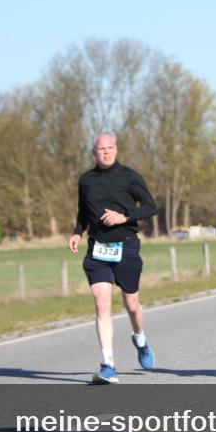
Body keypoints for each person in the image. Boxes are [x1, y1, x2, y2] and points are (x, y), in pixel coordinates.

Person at [69, 132, 158, 385]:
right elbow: (82, 212)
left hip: (127, 247)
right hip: (98, 250)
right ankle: (108, 365)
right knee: (101, 305)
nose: (106, 152)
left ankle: (140, 339)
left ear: (116, 149)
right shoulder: (85, 180)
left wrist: (124, 217)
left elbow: (151, 207)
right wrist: (77, 232)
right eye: (101, 149)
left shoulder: (129, 176)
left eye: (110, 148)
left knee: (131, 305)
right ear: (93, 152)